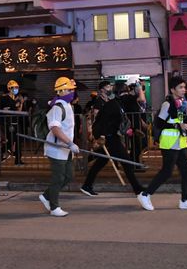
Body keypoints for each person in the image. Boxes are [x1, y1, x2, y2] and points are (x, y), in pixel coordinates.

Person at [79, 81, 148, 206]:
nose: (128, 95)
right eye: (126, 93)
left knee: (101, 161)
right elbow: (102, 123)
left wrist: (131, 131)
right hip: (109, 137)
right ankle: (138, 189)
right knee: (126, 162)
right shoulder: (113, 105)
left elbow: (119, 123)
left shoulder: (119, 105)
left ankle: (87, 185)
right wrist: (101, 137)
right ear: (121, 93)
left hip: (111, 136)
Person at [139, 76, 187, 211]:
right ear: (173, 90)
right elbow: (159, 123)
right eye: (181, 87)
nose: (184, 90)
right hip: (169, 143)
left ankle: (185, 200)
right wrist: (179, 125)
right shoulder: (167, 104)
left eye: (184, 87)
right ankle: (145, 194)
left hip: (180, 142)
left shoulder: (181, 103)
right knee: (167, 172)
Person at [38, 77, 80, 218]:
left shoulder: (67, 105)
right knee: (58, 178)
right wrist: (70, 143)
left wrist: (70, 144)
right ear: (60, 91)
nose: (71, 93)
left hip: (65, 149)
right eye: (69, 90)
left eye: (72, 90)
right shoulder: (57, 108)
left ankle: (46, 196)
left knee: (69, 176)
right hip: (56, 148)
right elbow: (55, 129)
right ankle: (54, 207)